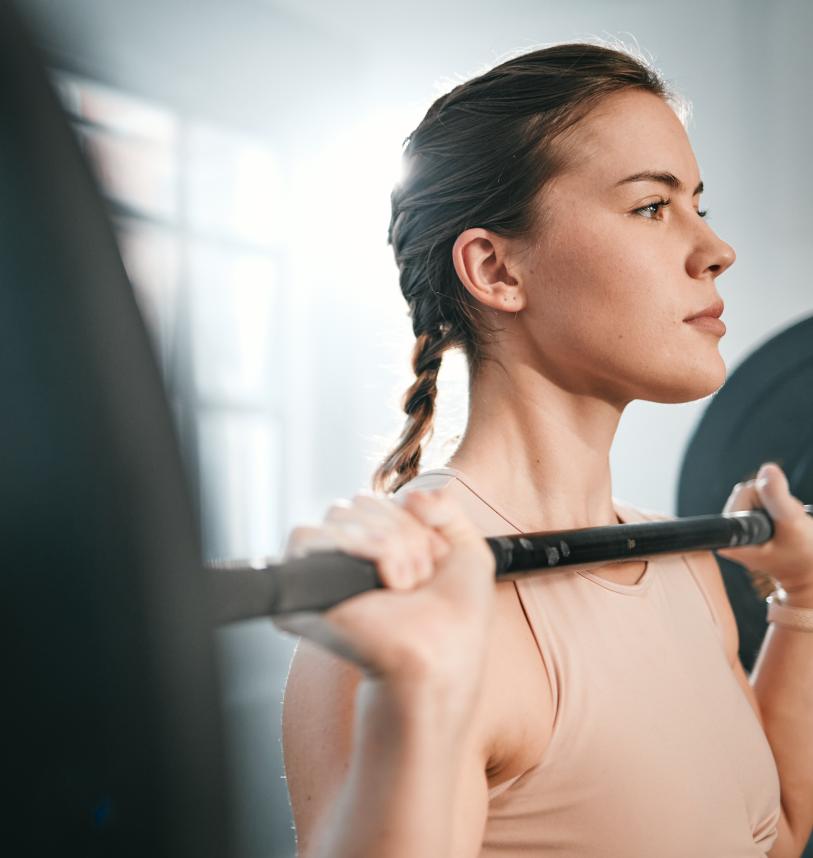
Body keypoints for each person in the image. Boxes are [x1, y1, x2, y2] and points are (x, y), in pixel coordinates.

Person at [278, 41, 813, 858]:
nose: (714, 249)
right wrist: (416, 695)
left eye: (698, 204)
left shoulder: (686, 569)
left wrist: (801, 601)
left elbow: (769, 837)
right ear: (496, 269)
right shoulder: (400, 617)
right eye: (650, 207)